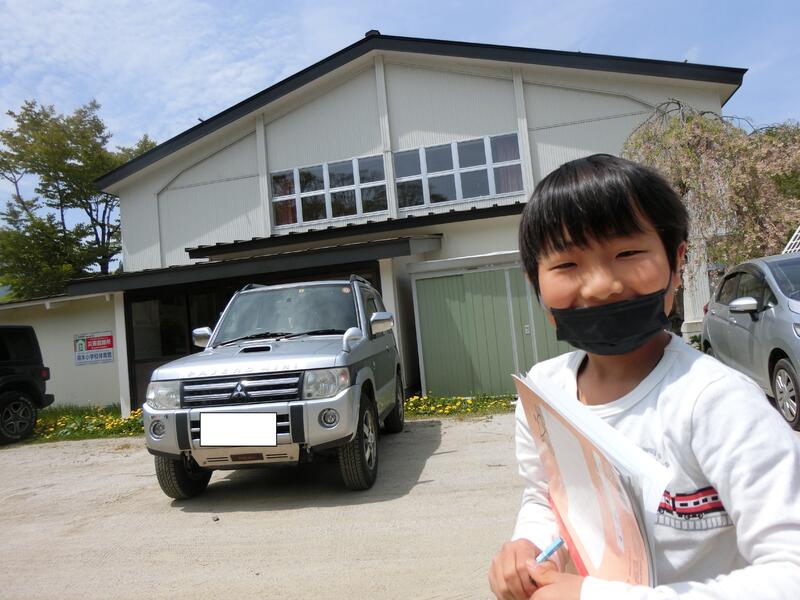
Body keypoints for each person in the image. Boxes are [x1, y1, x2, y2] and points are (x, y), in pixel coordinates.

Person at [488, 154, 800, 600]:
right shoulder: (543, 392)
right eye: (567, 265)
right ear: (535, 280)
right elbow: (546, 495)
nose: (600, 286)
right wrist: (530, 546)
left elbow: (791, 569)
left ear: (676, 262)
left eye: (627, 253)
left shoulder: (716, 402)